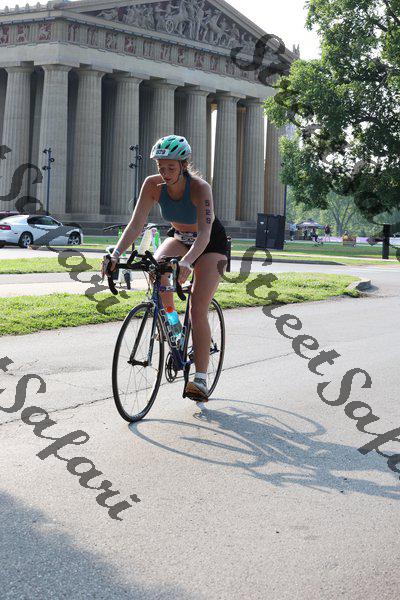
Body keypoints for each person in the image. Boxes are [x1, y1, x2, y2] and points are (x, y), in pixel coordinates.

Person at [101, 135, 229, 402]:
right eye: (161, 167)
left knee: (197, 307)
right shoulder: (152, 185)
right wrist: (116, 253)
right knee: (155, 268)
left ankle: (200, 379)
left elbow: (205, 234)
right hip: (180, 238)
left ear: (183, 165)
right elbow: (136, 224)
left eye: (171, 167)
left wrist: (187, 262)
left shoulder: (200, 188)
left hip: (210, 245)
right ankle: (173, 326)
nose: (165, 173)